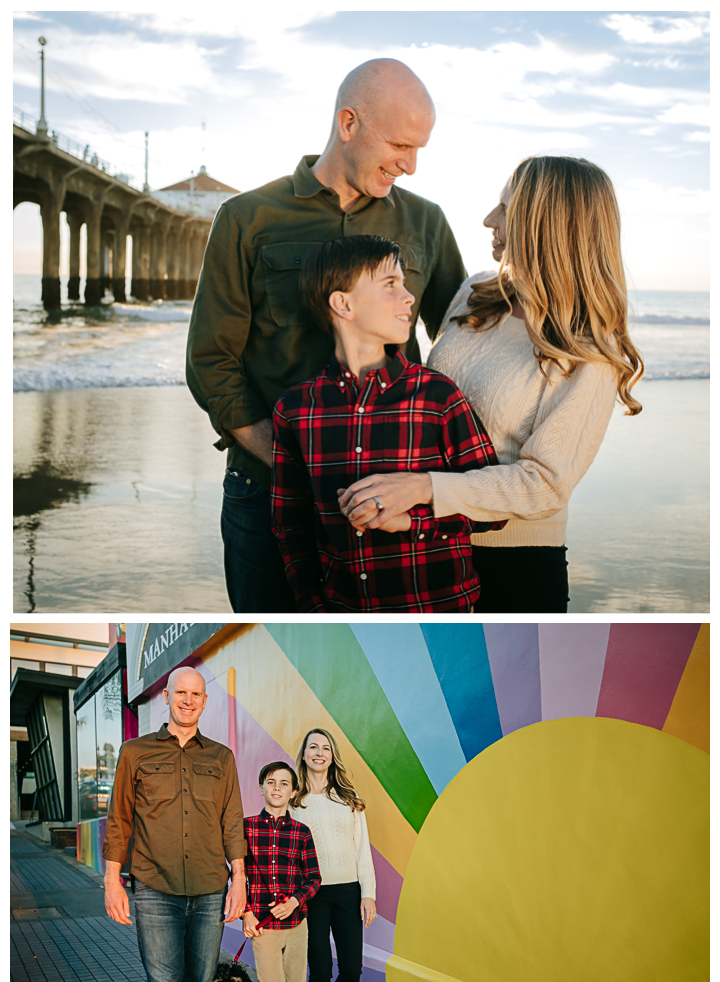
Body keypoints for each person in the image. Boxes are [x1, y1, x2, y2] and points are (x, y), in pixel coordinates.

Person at [185, 57, 467, 614]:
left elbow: (461, 342)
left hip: (387, 499)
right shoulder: (246, 218)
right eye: (399, 145)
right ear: (348, 123)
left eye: (419, 150)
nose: (409, 166)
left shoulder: (425, 223)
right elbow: (210, 359)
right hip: (263, 492)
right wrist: (293, 461)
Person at [338, 155, 644, 613]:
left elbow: (544, 485)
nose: (488, 220)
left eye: (506, 208)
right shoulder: (478, 290)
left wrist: (423, 489)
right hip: (424, 542)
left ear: (547, 226)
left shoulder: (589, 351)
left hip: (512, 566)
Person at [272, 234, 504, 612]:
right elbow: (290, 527)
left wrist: (412, 521)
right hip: (342, 615)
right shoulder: (296, 410)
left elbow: (493, 508)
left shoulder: (437, 396)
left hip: (440, 612)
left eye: (405, 284)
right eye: (390, 284)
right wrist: (313, 607)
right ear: (342, 304)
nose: (409, 297)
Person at [103, 667, 247, 982]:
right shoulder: (135, 752)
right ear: (166, 697)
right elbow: (120, 820)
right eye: (180, 692)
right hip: (154, 889)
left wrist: (240, 880)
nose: (187, 700)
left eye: (196, 694)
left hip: (209, 889)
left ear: (205, 701)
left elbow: (232, 822)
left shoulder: (222, 757)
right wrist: (112, 881)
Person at [291, 729, 376, 982]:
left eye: (325, 748)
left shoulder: (349, 798)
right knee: (320, 971)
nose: (319, 752)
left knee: (352, 970)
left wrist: (367, 893)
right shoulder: (294, 802)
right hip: (312, 894)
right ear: (304, 754)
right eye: (313, 746)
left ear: (332, 755)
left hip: (348, 891)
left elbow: (362, 849)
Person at [236, 762, 321, 982]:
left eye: (284, 783)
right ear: (261, 787)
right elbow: (237, 875)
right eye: (271, 782)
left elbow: (313, 877)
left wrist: (295, 901)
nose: (277, 788)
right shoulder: (245, 827)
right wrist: (245, 912)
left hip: (297, 925)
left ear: (293, 791)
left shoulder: (301, 832)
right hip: (262, 926)